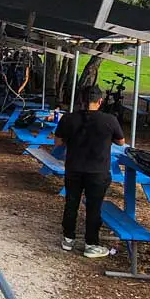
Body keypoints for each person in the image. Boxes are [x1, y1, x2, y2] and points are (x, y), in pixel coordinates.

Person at [54, 85, 126, 258]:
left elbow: (58, 142)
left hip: (74, 168)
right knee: (94, 207)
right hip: (98, 171)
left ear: (80, 101)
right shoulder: (110, 120)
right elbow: (121, 142)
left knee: (71, 203)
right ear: (100, 101)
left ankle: (68, 238)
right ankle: (91, 244)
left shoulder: (68, 119)